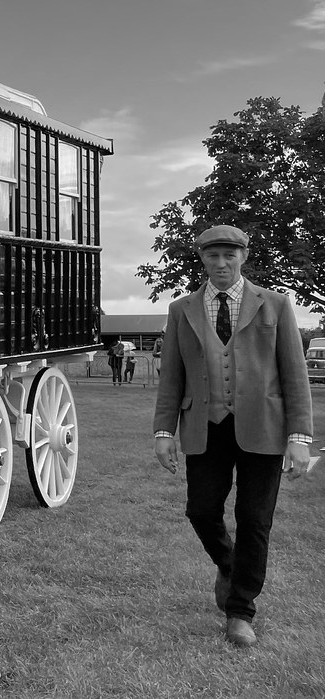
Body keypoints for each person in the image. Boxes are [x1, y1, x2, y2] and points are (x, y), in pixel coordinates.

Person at [153, 224, 312, 648]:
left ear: (243, 256)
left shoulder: (275, 304)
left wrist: (299, 435)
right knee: (201, 511)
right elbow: (172, 375)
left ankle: (240, 612)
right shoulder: (181, 308)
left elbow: (295, 375)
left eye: (229, 256)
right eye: (212, 257)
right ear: (202, 259)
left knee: (255, 520)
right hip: (206, 425)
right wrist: (164, 431)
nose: (221, 264)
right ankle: (229, 564)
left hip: (265, 426)